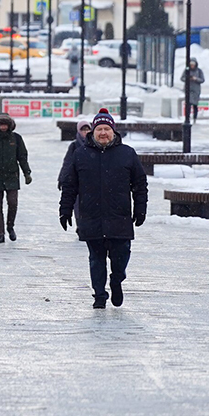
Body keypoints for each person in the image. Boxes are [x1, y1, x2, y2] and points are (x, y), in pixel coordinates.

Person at [59, 110, 148, 308]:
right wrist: (65, 210)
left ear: (113, 131)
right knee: (96, 259)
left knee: (121, 256)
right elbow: (70, 185)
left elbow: (140, 184)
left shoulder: (127, 154)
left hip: (119, 218)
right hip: (91, 217)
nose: (103, 133)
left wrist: (140, 209)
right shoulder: (81, 154)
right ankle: (99, 295)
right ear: (93, 131)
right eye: (99, 129)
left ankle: (117, 281)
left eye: (107, 129)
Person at [0, 113, 31, 243]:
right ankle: (0, 233)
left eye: (5, 124)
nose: (3, 127)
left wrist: (27, 173)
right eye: (1, 124)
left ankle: (10, 226)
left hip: (12, 176)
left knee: (13, 203)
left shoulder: (16, 139)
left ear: (10, 125)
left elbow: (22, 157)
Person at [180, 58, 206, 122]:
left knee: (195, 105)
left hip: (196, 91)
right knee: (188, 105)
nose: (192, 66)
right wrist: (188, 78)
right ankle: (187, 117)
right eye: (191, 64)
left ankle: (195, 118)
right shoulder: (186, 70)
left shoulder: (199, 71)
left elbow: (202, 80)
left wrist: (196, 79)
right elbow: (182, 78)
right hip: (188, 90)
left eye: (193, 64)